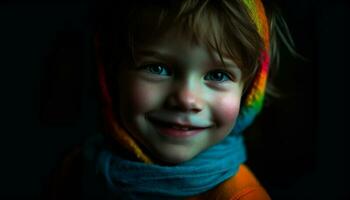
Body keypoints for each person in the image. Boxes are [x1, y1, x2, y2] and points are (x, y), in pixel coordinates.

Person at [45, 0, 282, 199]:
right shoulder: (78, 172)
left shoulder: (240, 196)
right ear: (110, 74)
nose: (186, 99)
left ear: (249, 91)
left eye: (218, 75)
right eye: (157, 68)